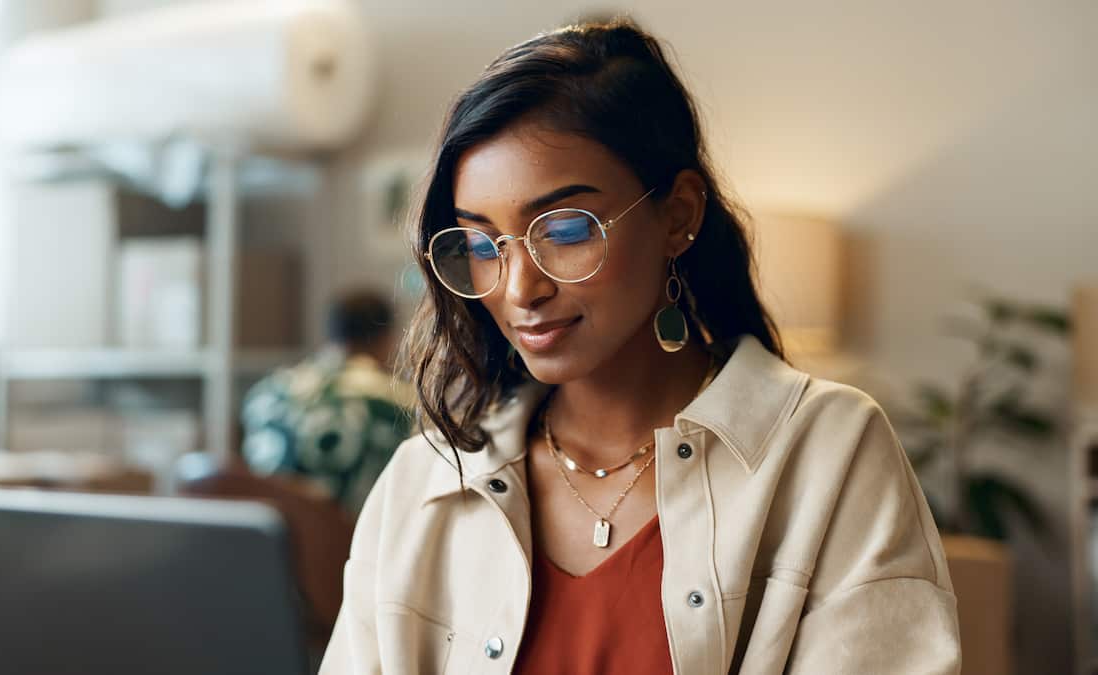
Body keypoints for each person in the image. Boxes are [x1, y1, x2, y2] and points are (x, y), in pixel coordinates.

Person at [320, 18, 960, 675]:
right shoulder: (423, 482)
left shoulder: (830, 451)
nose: (519, 288)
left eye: (565, 230)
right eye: (483, 245)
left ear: (678, 215)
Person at [241, 289, 413, 515]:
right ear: (388, 339)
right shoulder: (397, 403)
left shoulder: (266, 394)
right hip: (353, 543)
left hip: (271, 541)